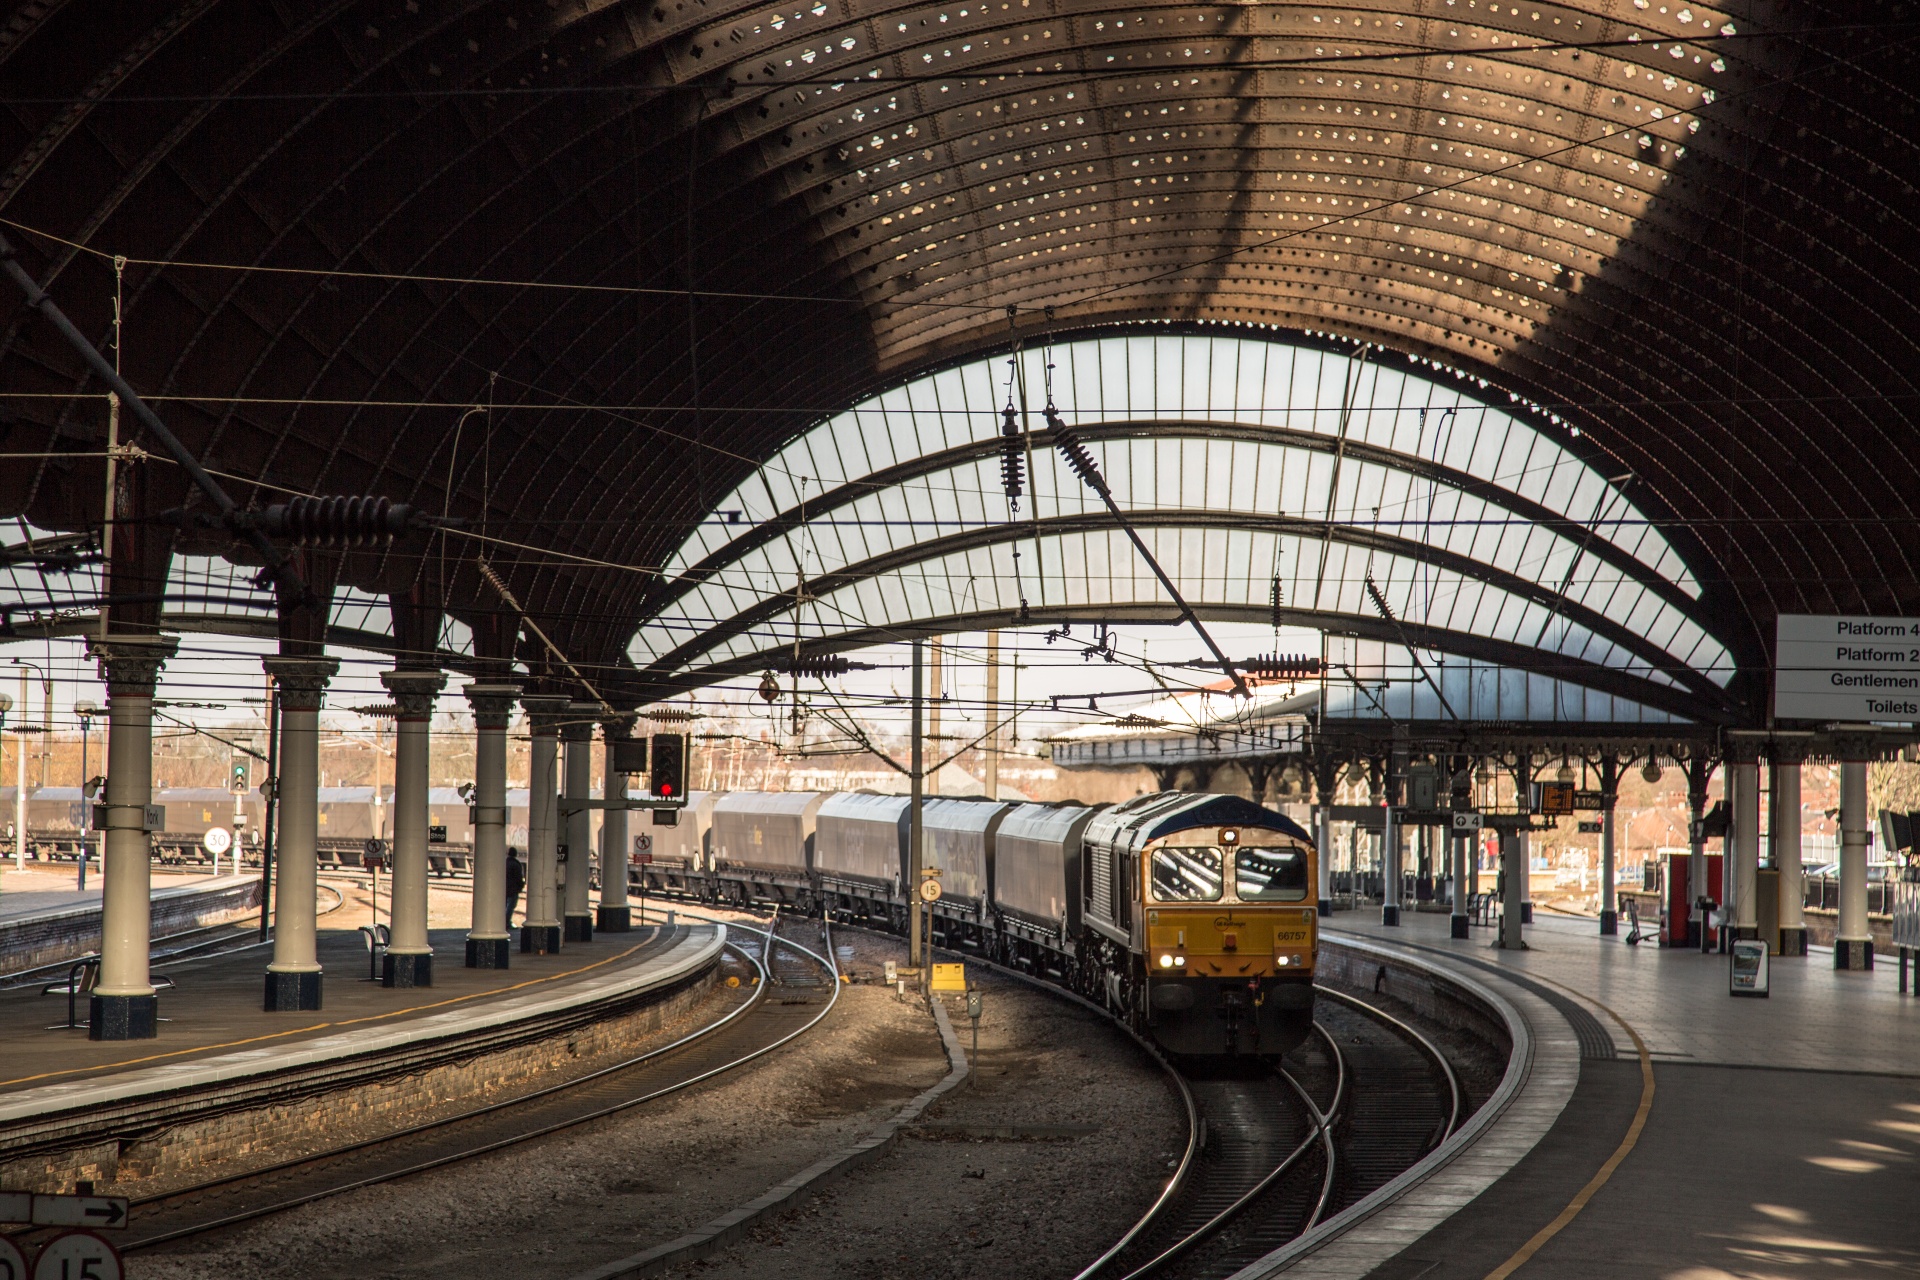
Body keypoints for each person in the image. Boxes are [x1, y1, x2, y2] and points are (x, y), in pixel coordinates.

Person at [504, 847, 526, 929]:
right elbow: (519, 878)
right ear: (515, 854)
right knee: (511, 906)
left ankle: (503, 922)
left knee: (504, 906)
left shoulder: (504, 863)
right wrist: (521, 886)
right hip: (513, 890)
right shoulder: (516, 864)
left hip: (504, 889)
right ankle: (507, 922)